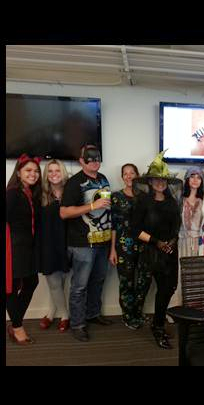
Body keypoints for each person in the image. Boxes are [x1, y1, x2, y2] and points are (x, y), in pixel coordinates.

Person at [60, 143, 113, 342]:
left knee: (98, 280)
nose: (95, 161)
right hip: (82, 243)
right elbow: (64, 212)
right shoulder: (74, 183)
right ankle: (78, 324)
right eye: (90, 158)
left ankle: (92, 314)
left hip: (103, 240)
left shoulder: (103, 178)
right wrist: (92, 205)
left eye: (97, 157)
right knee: (79, 286)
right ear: (81, 161)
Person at [130, 153, 182, 349]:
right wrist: (157, 242)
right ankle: (157, 327)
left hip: (170, 252)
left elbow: (177, 226)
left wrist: (172, 241)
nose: (160, 183)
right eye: (156, 179)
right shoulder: (143, 201)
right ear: (150, 182)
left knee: (168, 289)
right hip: (151, 253)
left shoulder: (172, 201)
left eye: (164, 180)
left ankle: (157, 323)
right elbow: (135, 230)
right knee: (150, 289)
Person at [6, 153, 42, 345]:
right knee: (11, 288)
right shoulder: (12, 193)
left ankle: (15, 323)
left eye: (36, 171)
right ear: (18, 173)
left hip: (27, 248)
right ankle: (18, 327)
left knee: (31, 282)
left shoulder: (31, 193)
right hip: (13, 248)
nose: (33, 174)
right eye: (28, 170)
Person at [109, 163, 147, 330]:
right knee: (126, 282)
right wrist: (112, 250)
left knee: (143, 281)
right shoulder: (116, 197)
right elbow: (113, 225)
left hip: (144, 245)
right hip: (124, 246)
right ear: (122, 177)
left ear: (137, 176)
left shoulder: (145, 196)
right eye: (125, 173)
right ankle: (128, 316)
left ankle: (138, 312)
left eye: (132, 173)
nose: (129, 176)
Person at [167, 166, 204, 316]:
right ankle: (177, 309)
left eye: (198, 177)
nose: (195, 180)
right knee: (180, 275)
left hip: (198, 243)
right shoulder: (179, 200)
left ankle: (195, 310)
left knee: (197, 276)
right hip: (182, 242)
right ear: (187, 179)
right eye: (192, 176)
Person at [39, 159, 71, 333]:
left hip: (67, 242)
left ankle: (51, 313)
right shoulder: (40, 194)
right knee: (53, 282)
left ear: (63, 172)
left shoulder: (71, 191)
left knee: (61, 281)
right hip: (47, 244)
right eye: (50, 171)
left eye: (57, 170)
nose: (53, 174)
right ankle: (65, 315)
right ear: (46, 175)